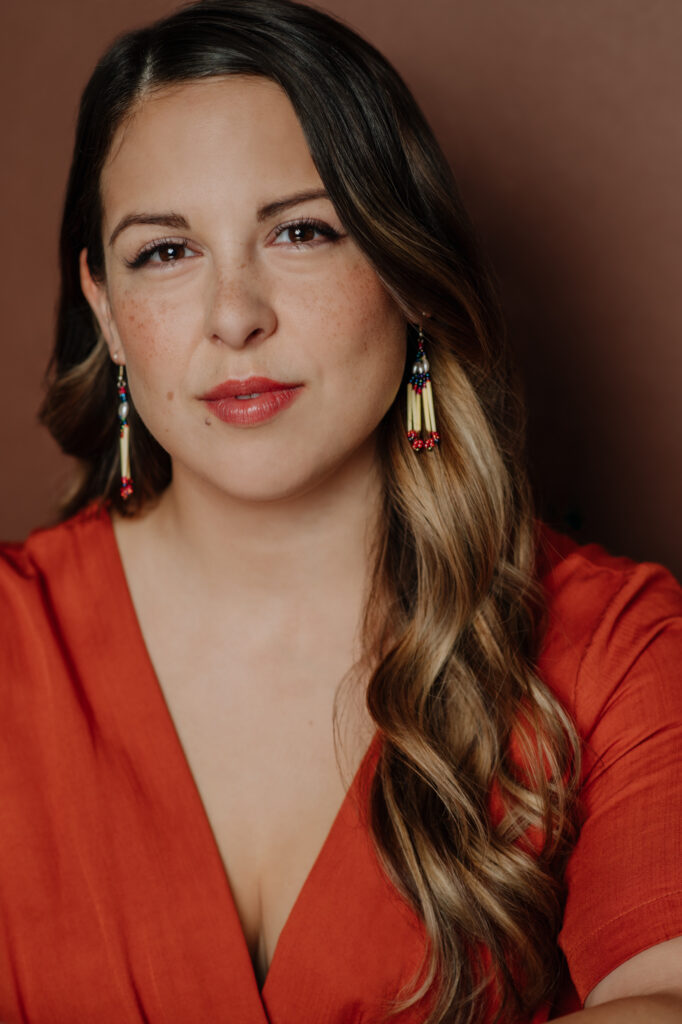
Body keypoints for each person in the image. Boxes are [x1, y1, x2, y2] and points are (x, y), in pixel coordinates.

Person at [1, 0, 680, 1021]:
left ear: (406, 270)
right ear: (104, 305)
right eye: (164, 253)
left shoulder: (612, 642)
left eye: (302, 230)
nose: (235, 315)